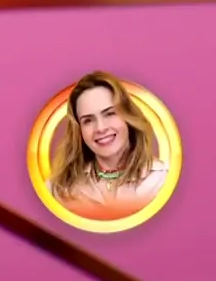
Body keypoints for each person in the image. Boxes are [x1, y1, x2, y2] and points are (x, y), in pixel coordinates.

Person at [47, 72, 167, 222]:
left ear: (128, 117)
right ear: (79, 130)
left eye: (109, 114)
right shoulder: (58, 188)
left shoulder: (161, 181)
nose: (101, 128)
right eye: (88, 120)